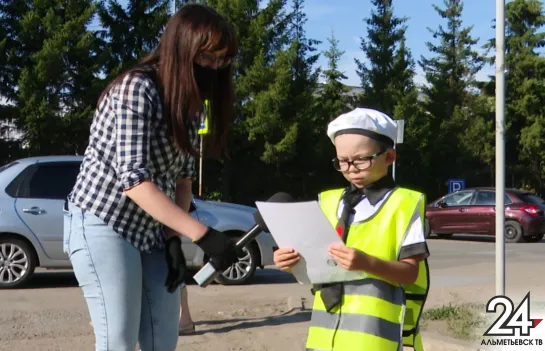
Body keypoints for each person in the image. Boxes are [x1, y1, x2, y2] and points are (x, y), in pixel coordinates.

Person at [63, 4, 239, 351]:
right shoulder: (136, 88)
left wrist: (173, 240)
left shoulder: (190, 103)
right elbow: (135, 182)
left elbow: (183, 180)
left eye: (223, 61)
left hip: (151, 232)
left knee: (163, 339)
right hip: (104, 222)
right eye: (208, 59)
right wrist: (203, 235)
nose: (215, 69)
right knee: (119, 341)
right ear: (183, 48)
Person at [273, 108, 431, 351]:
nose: (351, 169)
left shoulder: (404, 204)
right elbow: (316, 267)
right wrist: (290, 261)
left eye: (361, 160)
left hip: (374, 339)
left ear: (389, 157)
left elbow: (410, 274)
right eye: (343, 161)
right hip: (324, 338)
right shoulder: (327, 202)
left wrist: (367, 263)